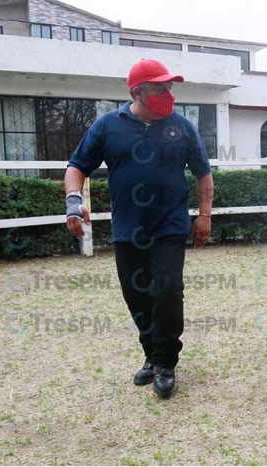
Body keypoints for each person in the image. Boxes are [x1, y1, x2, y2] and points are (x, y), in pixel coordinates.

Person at [64, 58, 214, 399]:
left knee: (167, 289)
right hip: (128, 228)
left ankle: (165, 362)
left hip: (170, 225)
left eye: (170, 87)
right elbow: (77, 167)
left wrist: (205, 215)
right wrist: (74, 202)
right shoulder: (107, 126)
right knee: (137, 295)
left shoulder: (182, 127)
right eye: (160, 88)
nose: (169, 94)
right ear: (138, 92)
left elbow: (203, 173)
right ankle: (150, 353)